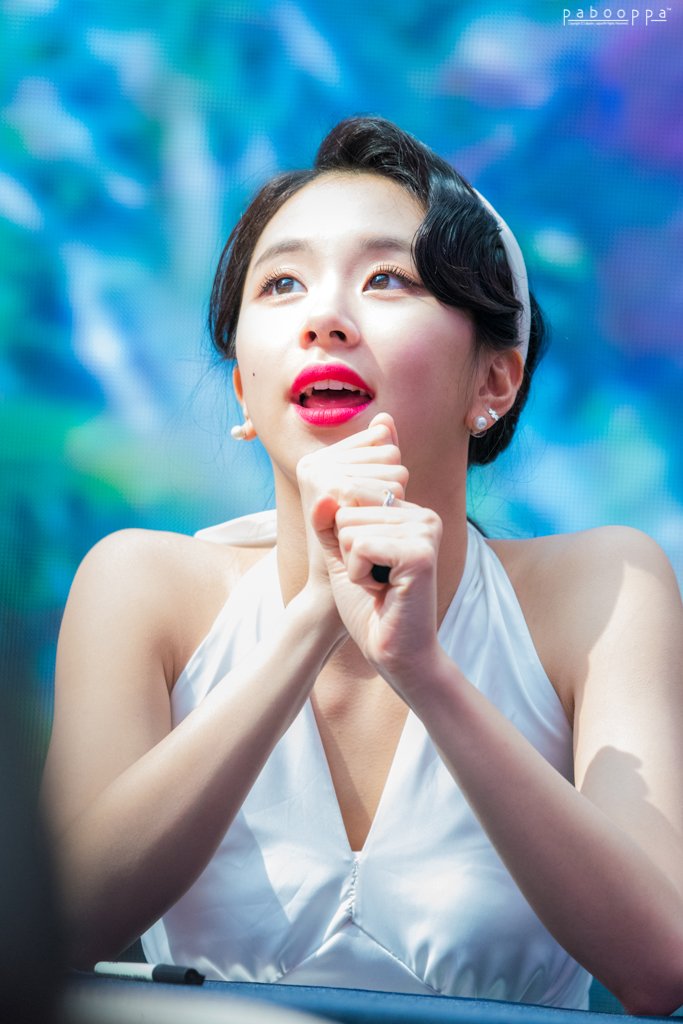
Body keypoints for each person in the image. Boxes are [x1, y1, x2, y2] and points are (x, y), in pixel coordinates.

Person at [41, 117, 683, 1014]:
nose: (323, 319)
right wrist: (315, 614)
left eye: (386, 279)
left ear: (493, 383)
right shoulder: (140, 585)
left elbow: (658, 966)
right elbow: (56, 929)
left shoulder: (602, 588)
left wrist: (424, 672)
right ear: (243, 391)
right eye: (282, 284)